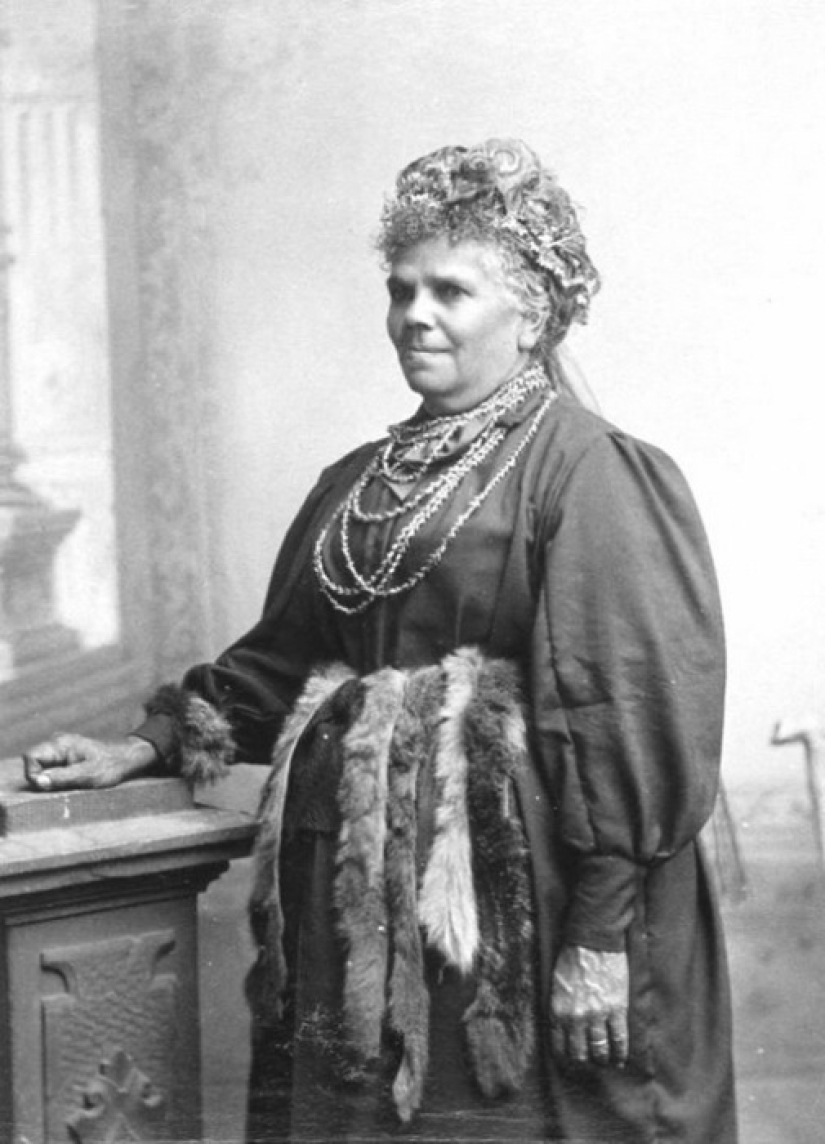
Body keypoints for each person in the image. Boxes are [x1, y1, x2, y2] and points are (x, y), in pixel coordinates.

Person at [23, 138, 737, 1143]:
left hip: (523, 911)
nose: (414, 315)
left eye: (450, 291)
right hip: (357, 909)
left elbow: (628, 716)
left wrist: (600, 936)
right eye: (401, 289)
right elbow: (280, 665)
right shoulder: (359, 482)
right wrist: (144, 745)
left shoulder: (593, 473)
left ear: (532, 315)